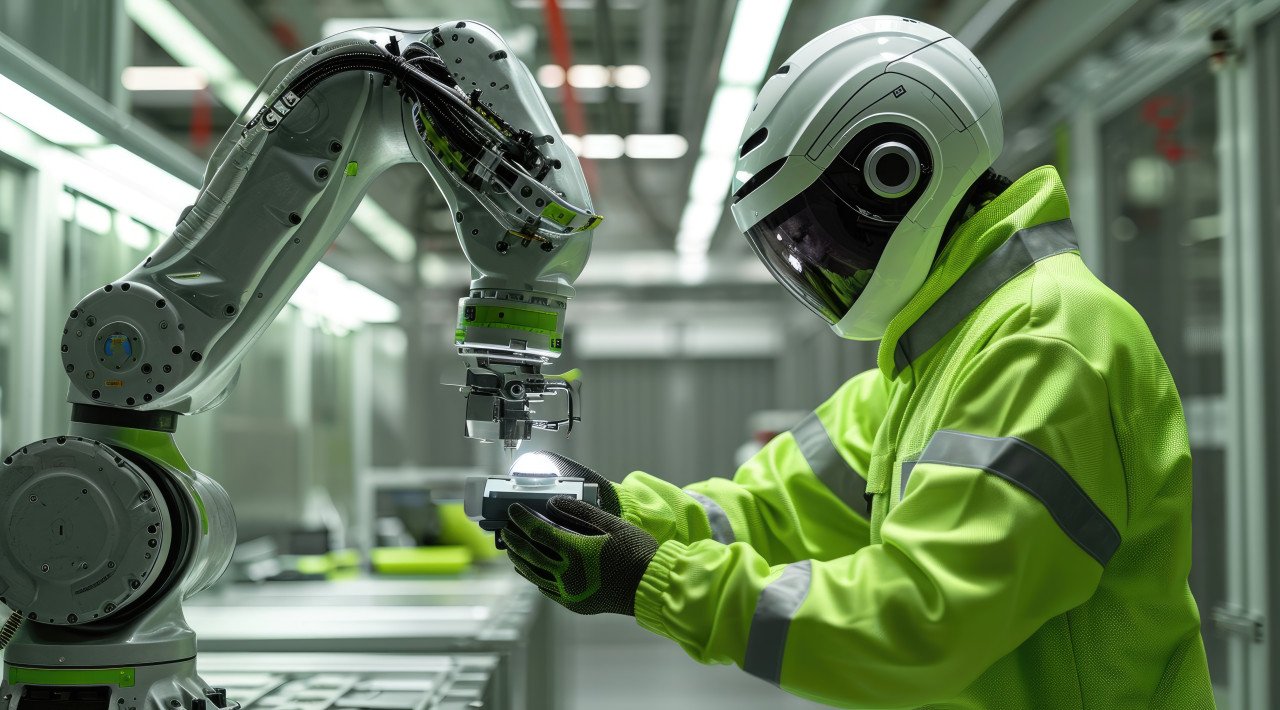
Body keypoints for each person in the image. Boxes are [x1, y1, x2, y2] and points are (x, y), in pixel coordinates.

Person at [498, 16, 1214, 708]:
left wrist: (654, 579)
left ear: (896, 171)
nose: (812, 263)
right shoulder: (926, 363)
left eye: (813, 233)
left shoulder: (1047, 343)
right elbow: (764, 513)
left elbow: (918, 624)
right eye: (791, 246)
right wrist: (616, 512)